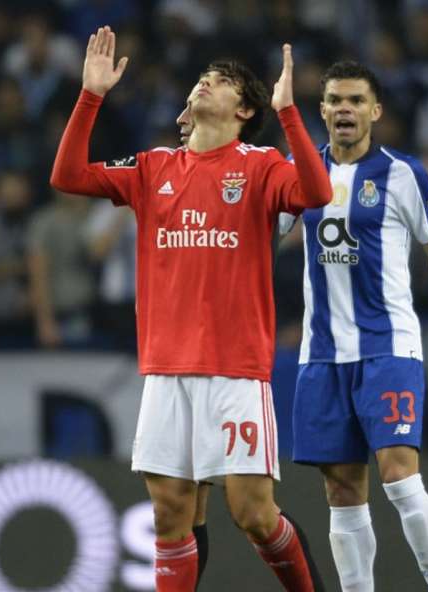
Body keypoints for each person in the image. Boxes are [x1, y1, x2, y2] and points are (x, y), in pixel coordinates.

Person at [51, 26, 332, 591]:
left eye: (222, 81)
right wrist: (91, 96)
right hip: (166, 366)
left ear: (244, 108)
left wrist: (289, 114)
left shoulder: (260, 165)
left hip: (236, 367)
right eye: (204, 77)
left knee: (253, 513)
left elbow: (317, 193)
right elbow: (67, 176)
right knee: (170, 514)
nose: (206, 83)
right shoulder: (154, 167)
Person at [286, 60, 428, 592]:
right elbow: (257, 240)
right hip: (322, 354)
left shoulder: (404, 174)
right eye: (335, 100)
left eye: (356, 101)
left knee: (400, 476)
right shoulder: (299, 170)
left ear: (375, 111)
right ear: (323, 110)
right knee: (342, 491)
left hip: (389, 347)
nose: (345, 110)